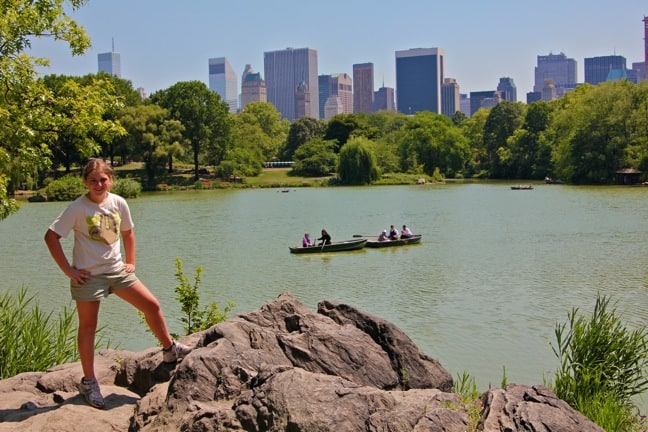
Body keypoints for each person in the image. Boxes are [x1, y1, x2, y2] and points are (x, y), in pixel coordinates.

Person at [44, 158, 192, 410]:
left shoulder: (118, 202)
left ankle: (170, 350)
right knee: (88, 327)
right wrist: (68, 270)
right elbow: (51, 236)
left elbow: (128, 233)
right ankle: (89, 382)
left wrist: (131, 261)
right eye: (93, 180)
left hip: (117, 271)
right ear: (85, 182)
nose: (99, 184)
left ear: (111, 179)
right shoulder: (78, 208)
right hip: (88, 276)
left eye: (103, 179)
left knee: (152, 306)